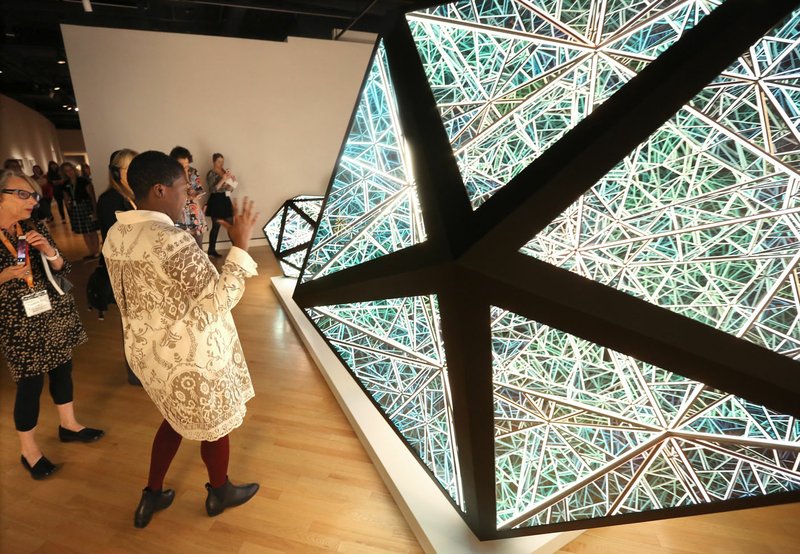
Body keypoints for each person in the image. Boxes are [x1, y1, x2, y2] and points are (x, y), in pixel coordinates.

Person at [103, 151, 261, 528]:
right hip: (191, 355)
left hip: (150, 355)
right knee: (215, 422)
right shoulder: (169, 240)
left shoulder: (116, 233)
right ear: (159, 189)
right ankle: (219, 491)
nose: (189, 196)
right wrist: (240, 246)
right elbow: (218, 302)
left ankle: (152, 495)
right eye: (182, 187)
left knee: (174, 419)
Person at [0, 170, 104, 481]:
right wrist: (5, 276)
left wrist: (50, 251)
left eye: (33, 195)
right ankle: (28, 450)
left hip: (52, 311)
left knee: (62, 370)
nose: (33, 200)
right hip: (17, 321)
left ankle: (69, 425)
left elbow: (63, 267)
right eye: (24, 194)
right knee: (29, 385)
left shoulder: (34, 226)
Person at [95, 148, 140, 385]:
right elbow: (115, 238)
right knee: (131, 325)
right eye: (129, 168)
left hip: (139, 269)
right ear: (116, 172)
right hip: (123, 272)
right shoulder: (110, 200)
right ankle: (135, 373)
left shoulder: (134, 196)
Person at [169, 146, 206, 249]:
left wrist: (195, 194)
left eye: (187, 165)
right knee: (182, 248)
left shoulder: (193, 172)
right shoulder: (169, 175)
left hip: (195, 213)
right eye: (181, 166)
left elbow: (199, 189)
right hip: (179, 215)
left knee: (199, 248)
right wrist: (186, 197)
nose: (185, 168)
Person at [60, 162, 100, 258]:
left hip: (86, 207)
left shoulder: (84, 181)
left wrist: (95, 211)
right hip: (76, 209)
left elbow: (92, 197)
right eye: (66, 171)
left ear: (74, 169)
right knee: (84, 232)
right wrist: (69, 211)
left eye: (70, 169)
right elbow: (66, 199)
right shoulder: (65, 184)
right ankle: (91, 252)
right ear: (64, 173)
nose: (69, 172)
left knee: (91, 231)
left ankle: (97, 251)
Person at [205, 152, 236, 258]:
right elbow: (212, 190)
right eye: (219, 161)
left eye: (222, 161)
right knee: (216, 226)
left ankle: (236, 249)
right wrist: (223, 179)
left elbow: (229, 190)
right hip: (216, 201)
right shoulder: (211, 173)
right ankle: (211, 250)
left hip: (225, 199)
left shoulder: (224, 172)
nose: (221, 164)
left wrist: (233, 182)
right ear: (213, 161)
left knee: (231, 225)